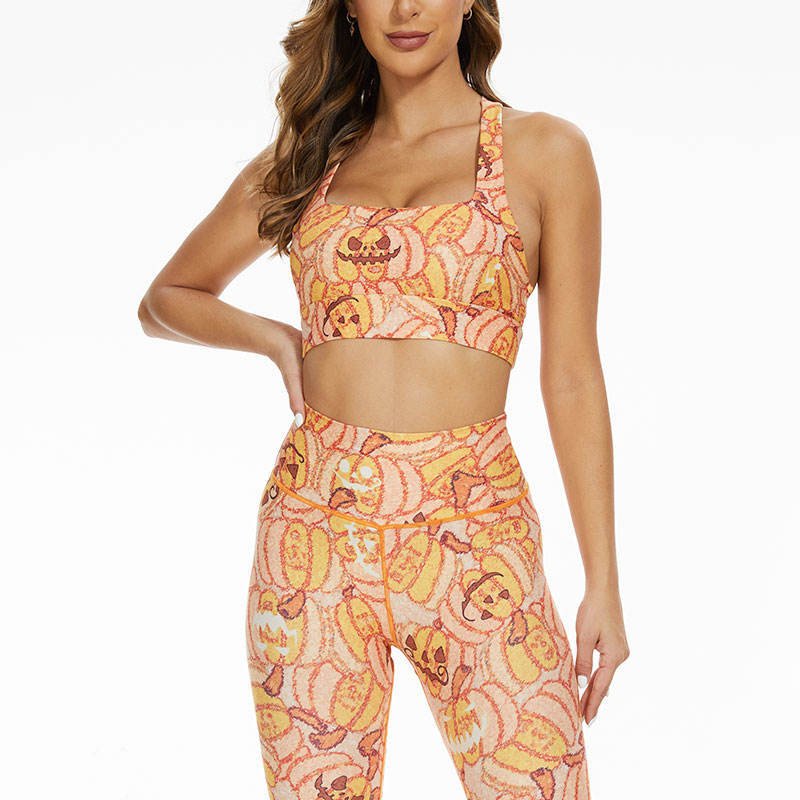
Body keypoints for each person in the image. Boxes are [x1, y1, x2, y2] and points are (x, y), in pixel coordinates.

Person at [138, 2, 629, 798]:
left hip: (477, 535)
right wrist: (276, 339)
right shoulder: (308, 160)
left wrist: (602, 581)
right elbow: (167, 299)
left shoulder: (544, 152)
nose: (405, 8)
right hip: (314, 538)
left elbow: (571, 373)